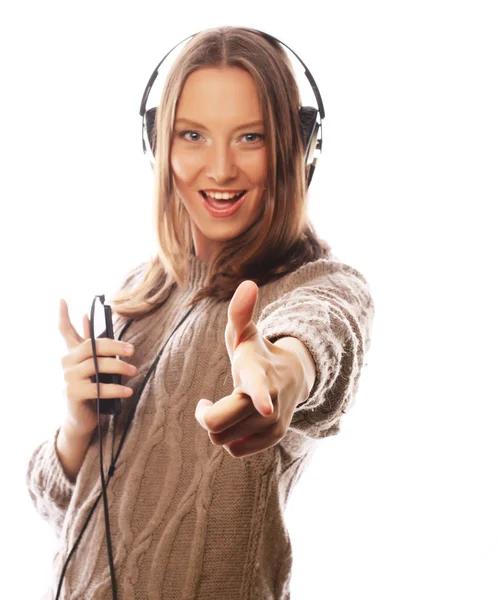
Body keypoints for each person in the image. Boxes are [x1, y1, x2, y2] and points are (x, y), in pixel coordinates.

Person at [26, 26, 375, 600]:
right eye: (193, 135)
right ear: (158, 145)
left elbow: (322, 332)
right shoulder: (137, 293)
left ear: (296, 148)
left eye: (250, 138)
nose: (219, 170)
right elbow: (67, 510)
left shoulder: (316, 285)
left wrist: (282, 374)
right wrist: (76, 426)